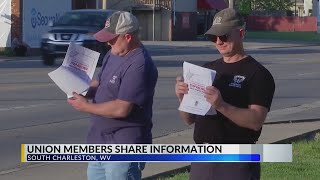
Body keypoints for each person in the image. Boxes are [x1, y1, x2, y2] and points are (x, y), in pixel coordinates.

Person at [175, 8, 275, 180]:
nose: (219, 41)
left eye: (224, 36)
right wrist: (183, 98)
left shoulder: (258, 74)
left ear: (241, 33)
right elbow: (189, 119)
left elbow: (256, 121)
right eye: (214, 37)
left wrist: (221, 105)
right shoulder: (207, 69)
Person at [67, 11, 158, 180]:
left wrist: (86, 106)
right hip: (99, 143)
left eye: (112, 38)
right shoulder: (114, 54)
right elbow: (100, 82)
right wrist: (83, 88)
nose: (108, 43)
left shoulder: (139, 64)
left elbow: (122, 108)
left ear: (128, 37)